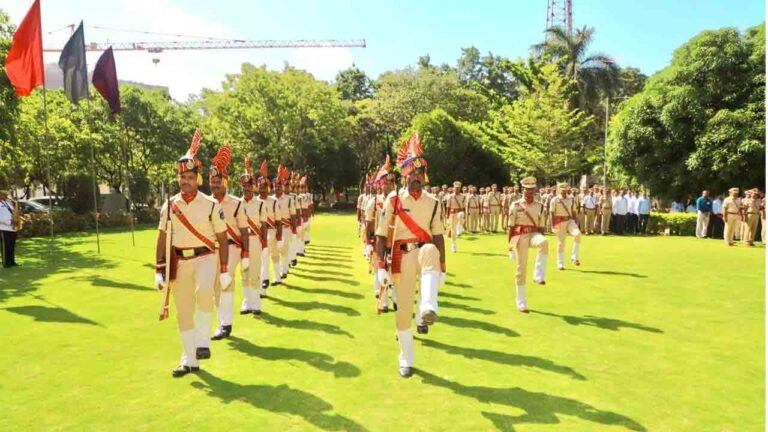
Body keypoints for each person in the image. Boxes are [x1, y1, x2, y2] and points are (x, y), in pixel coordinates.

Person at [154, 130, 231, 377]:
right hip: (180, 262)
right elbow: (162, 237)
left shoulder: (211, 205)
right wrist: (159, 269)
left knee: (205, 291)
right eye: (182, 177)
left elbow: (222, 238)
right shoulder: (170, 205)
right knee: (184, 311)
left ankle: (203, 342)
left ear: (197, 178)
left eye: (189, 177)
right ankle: (189, 360)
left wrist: (225, 270)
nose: (185, 181)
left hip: (206, 257)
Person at [375, 133, 445, 378]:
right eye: (412, 173)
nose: (416, 177)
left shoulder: (434, 202)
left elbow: (438, 236)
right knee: (403, 312)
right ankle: (406, 358)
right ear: (405, 175)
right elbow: (381, 235)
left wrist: (442, 268)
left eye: (420, 173)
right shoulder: (393, 200)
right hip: (400, 257)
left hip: (423, 253)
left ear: (424, 176)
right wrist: (380, 267)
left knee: (430, 249)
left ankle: (428, 307)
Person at [206, 146, 251, 340]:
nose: (215, 186)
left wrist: (246, 254)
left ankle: (225, 324)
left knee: (226, 280)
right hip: (212, 249)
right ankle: (223, 323)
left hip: (232, 247)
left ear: (225, 182)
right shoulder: (206, 203)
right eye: (212, 182)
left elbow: (244, 231)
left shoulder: (236, 203)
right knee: (216, 286)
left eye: (218, 182)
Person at [507, 177, 548, 313]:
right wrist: (509, 247)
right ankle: (521, 302)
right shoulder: (516, 205)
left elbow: (541, 227)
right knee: (521, 269)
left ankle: (538, 275)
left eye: (532, 189)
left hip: (533, 234)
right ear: (522, 190)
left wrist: (541, 236)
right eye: (527, 189)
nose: (530, 192)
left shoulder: (540, 206)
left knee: (544, 242)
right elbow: (510, 227)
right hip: (520, 236)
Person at [238, 159, 269, 315]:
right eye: (244, 186)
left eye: (249, 186)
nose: (246, 189)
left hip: (255, 240)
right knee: (244, 272)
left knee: (255, 272)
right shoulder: (237, 204)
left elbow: (264, 225)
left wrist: (264, 243)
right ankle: (246, 302)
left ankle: (256, 303)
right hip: (241, 241)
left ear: (253, 187)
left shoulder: (260, 204)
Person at [550, 183, 582, 270]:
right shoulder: (555, 200)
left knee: (577, 234)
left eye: (565, 190)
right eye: (562, 190)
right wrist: (553, 225)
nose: (564, 192)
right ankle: (560, 263)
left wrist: (575, 222)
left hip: (569, 220)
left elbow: (574, 211)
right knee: (561, 242)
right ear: (559, 190)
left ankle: (574, 256)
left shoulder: (571, 199)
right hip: (559, 221)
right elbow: (552, 213)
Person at [0, 188, 19, 268]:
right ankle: (6, 262)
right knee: (6, 246)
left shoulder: (8, 203)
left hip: (12, 228)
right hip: (4, 228)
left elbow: (13, 213)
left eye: (6, 195)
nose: (6, 196)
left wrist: (15, 220)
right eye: (4, 195)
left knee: (11, 245)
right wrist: (7, 222)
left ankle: (12, 261)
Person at [447, 181, 463, 252]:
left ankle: (460, 227)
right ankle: (453, 245)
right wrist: (447, 217)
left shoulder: (463, 196)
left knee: (461, 214)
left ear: (460, 188)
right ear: (453, 188)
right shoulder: (450, 196)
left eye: (458, 188)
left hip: (460, 212)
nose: (457, 189)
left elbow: (464, 207)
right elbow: (448, 207)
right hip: (452, 214)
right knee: (453, 231)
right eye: (456, 188)